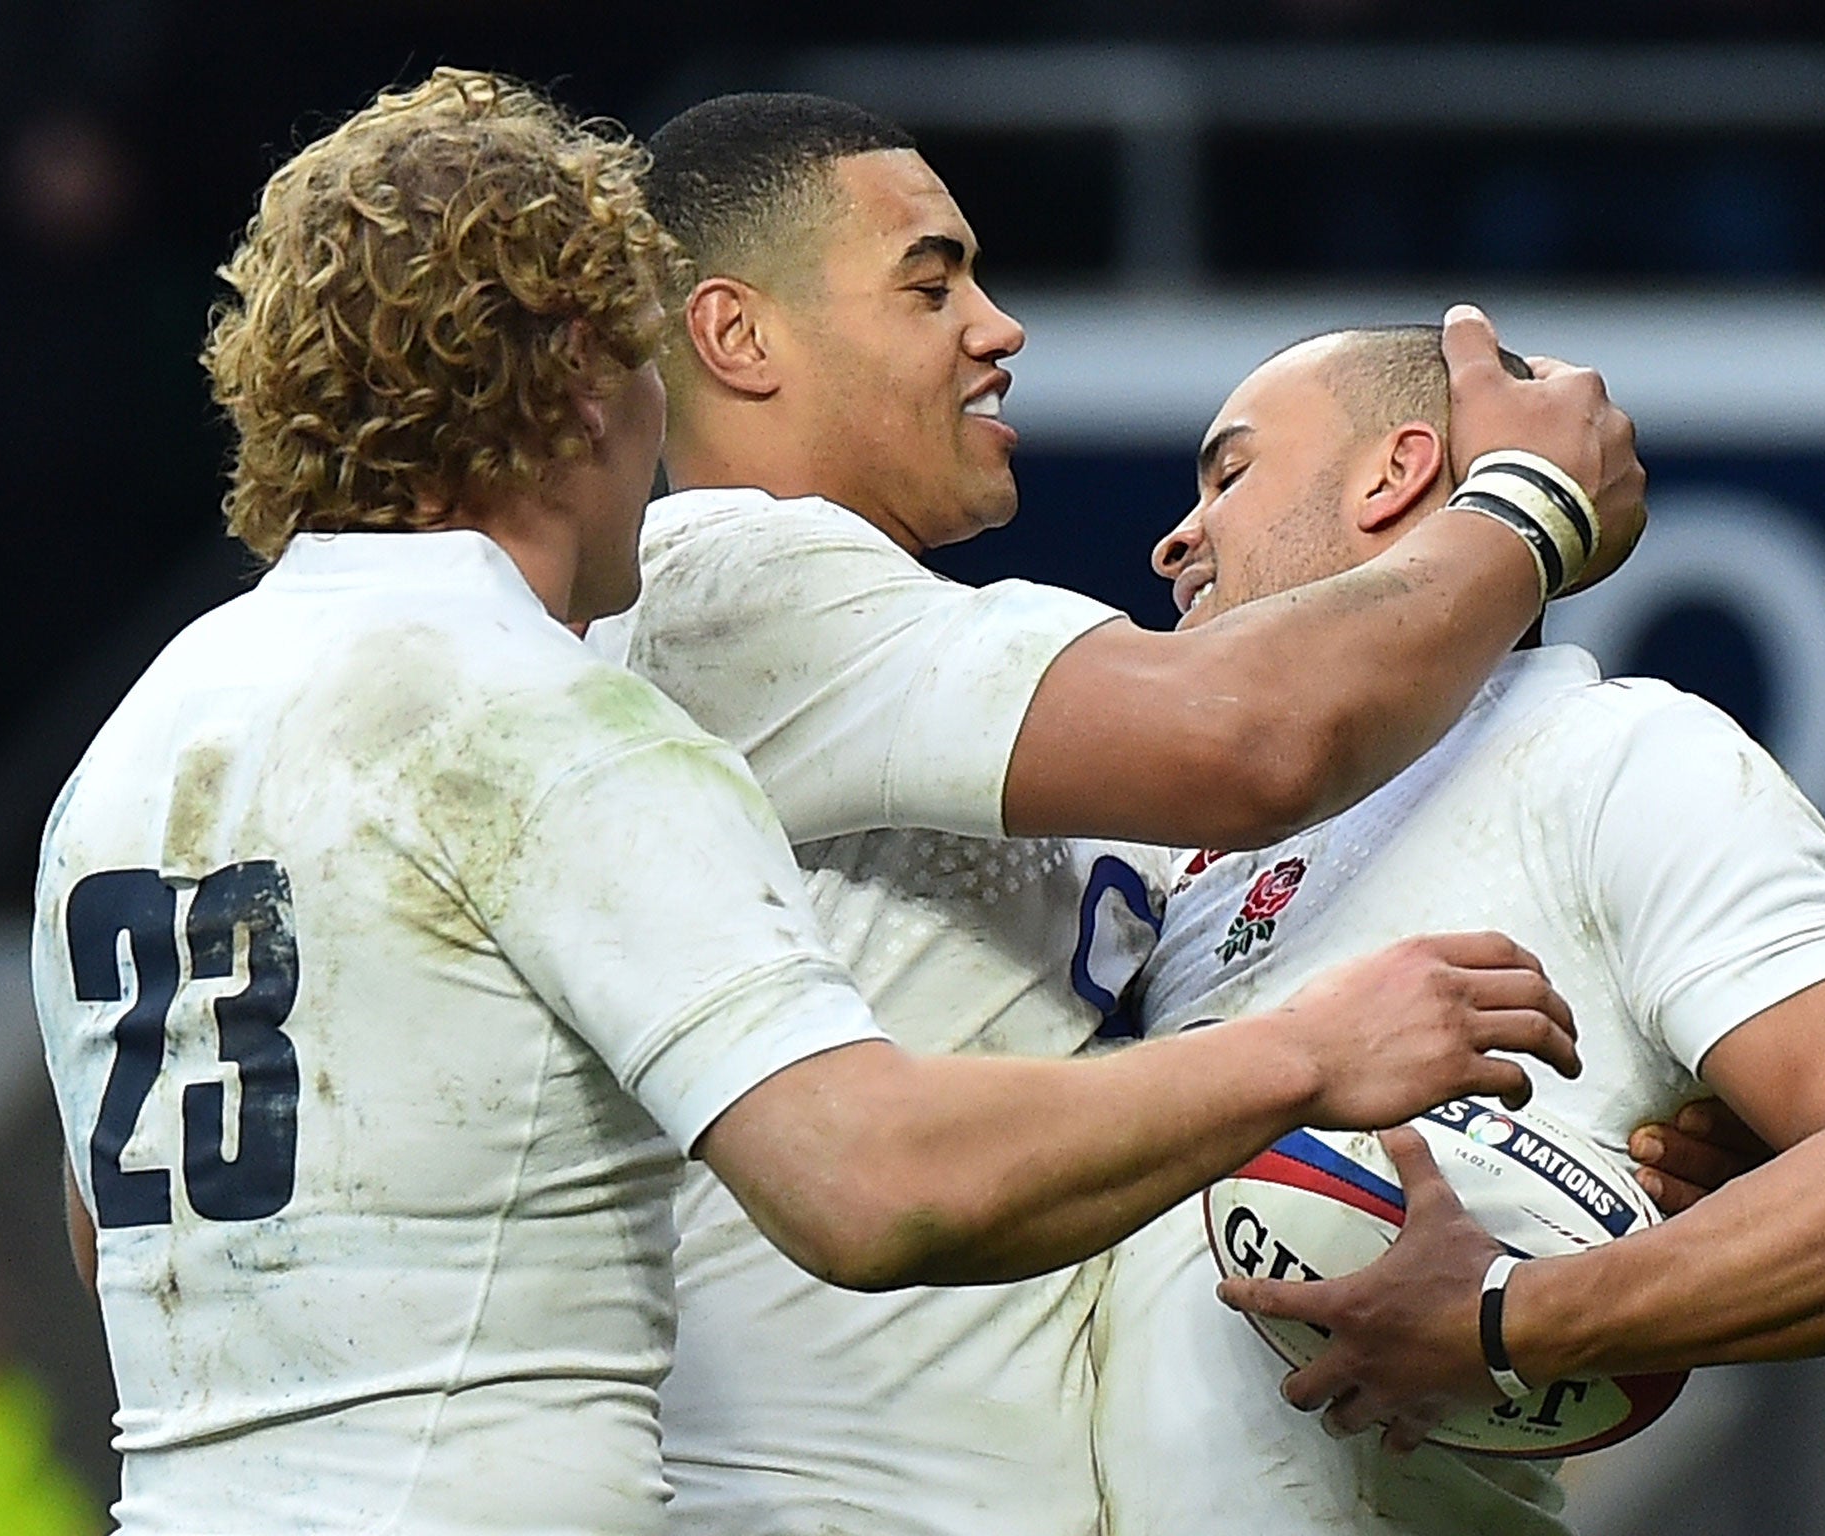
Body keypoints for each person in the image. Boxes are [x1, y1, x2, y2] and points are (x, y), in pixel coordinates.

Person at [30, 73, 1587, 1536]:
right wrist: (1306, 1054)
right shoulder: (538, 717)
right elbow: (869, 1182)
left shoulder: (141, 742)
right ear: (586, 373)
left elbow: (114, 1237)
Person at [600, 93, 1720, 1536]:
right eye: (931, 283)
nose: (998, 327)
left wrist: (1632, 1136)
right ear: (736, 336)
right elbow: (1257, 735)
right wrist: (1527, 510)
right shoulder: (711, 582)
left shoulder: (971, 707)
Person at [1092, 325, 1825, 1535]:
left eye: (1228, 475)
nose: (1175, 537)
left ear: (1397, 472)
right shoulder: (1174, 860)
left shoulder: (1618, 756)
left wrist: (1507, 1321)